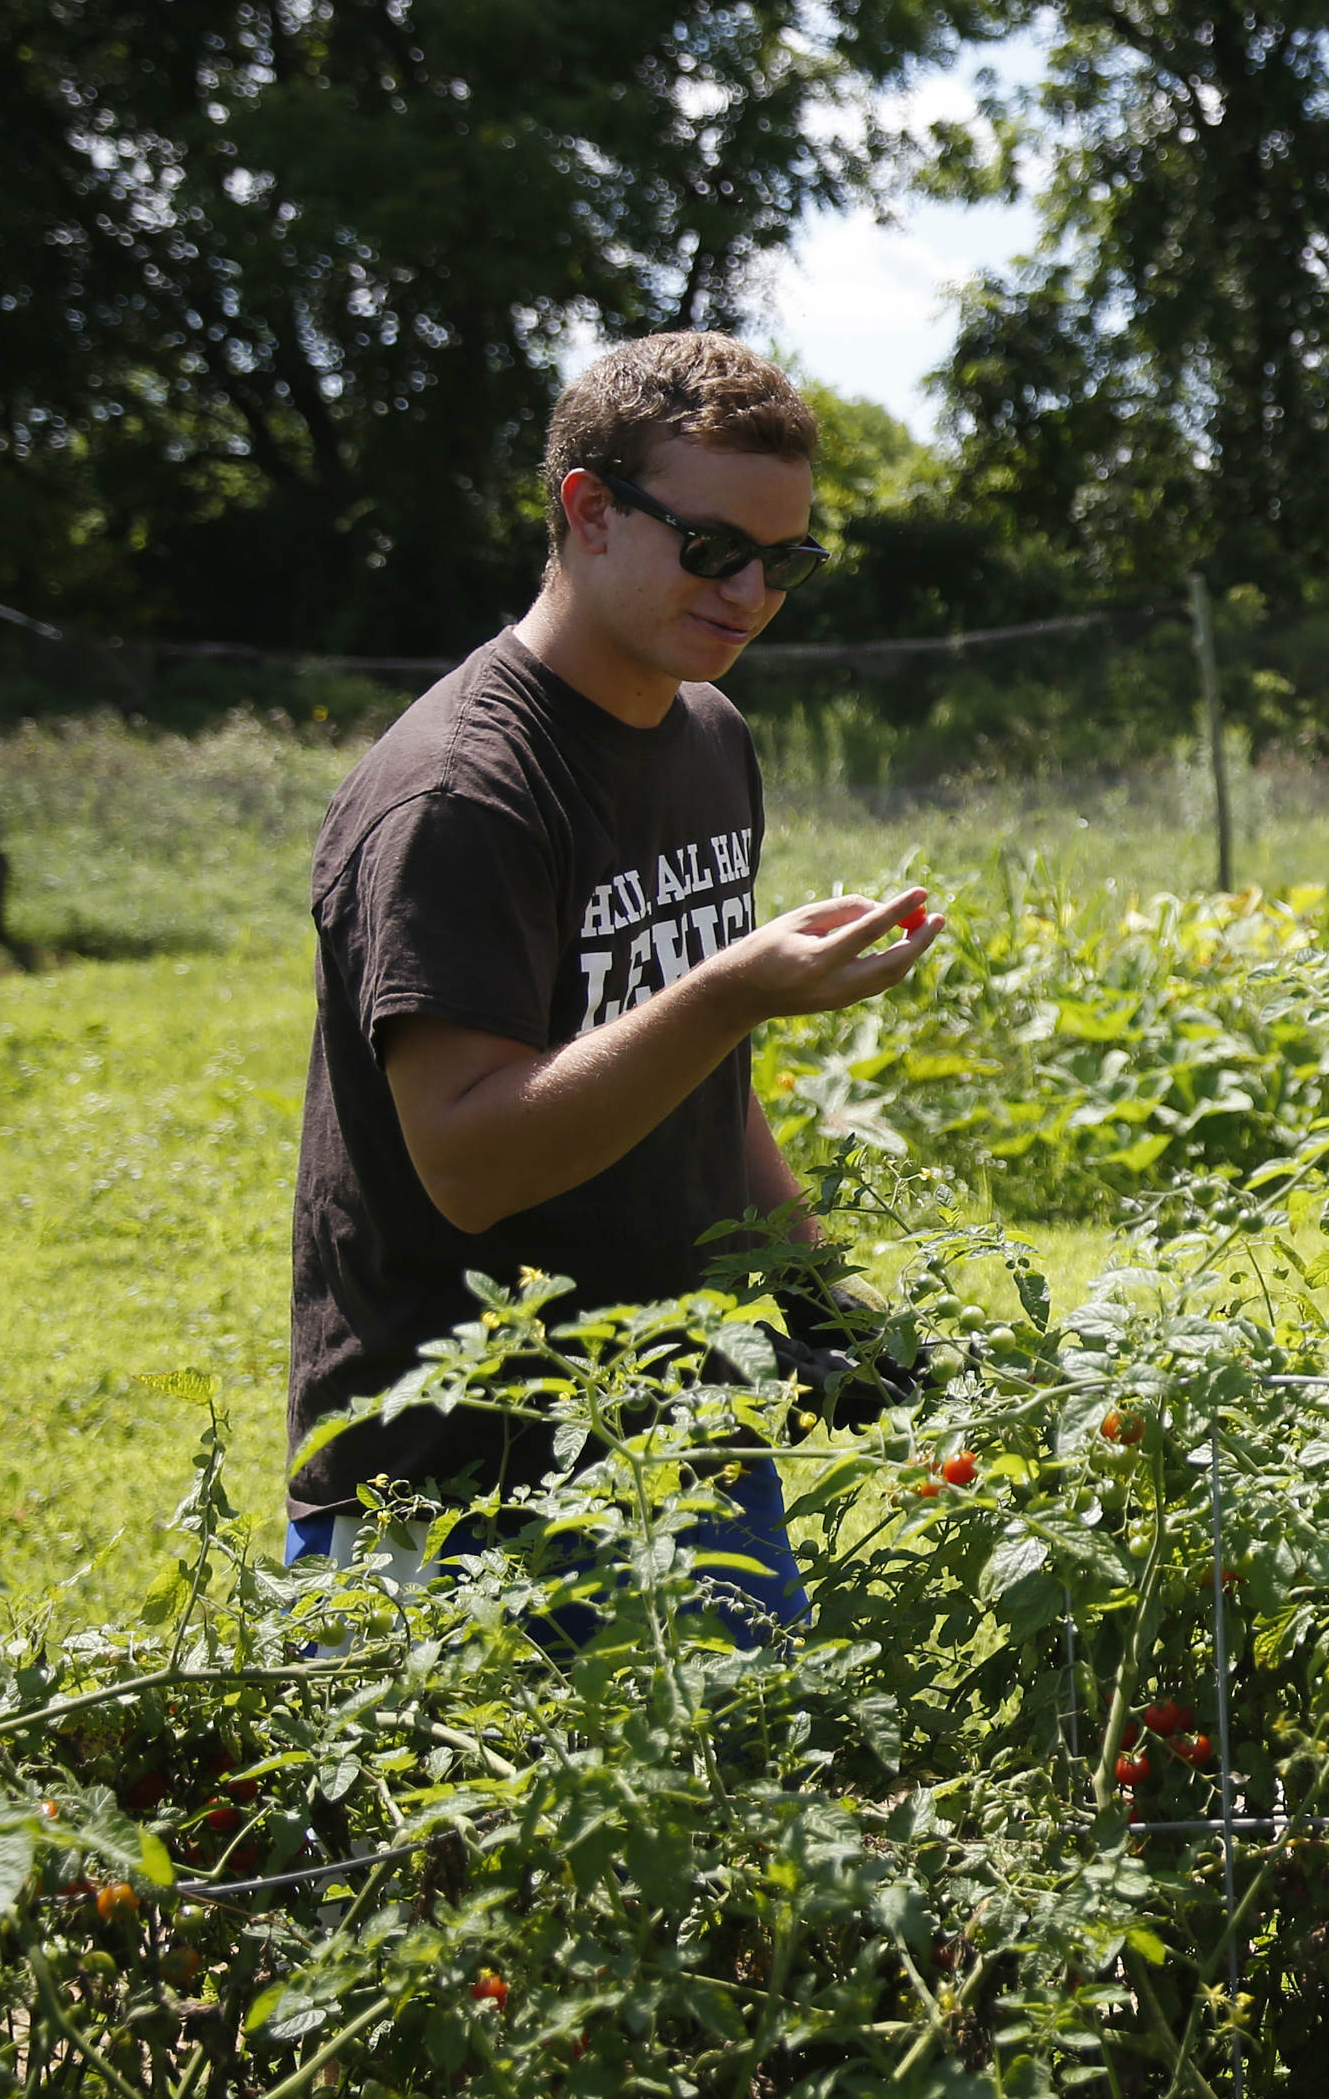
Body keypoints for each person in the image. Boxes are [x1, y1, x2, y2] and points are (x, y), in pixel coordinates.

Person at [287, 332, 941, 1633]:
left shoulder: (707, 731)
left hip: (683, 1426)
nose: (752, 590)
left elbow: (695, 1079)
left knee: (754, 1812)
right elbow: (469, 1161)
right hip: (463, 1488)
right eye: (714, 548)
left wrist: (817, 1291)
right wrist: (731, 990)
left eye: (787, 559)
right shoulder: (460, 795)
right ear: (589, 511)